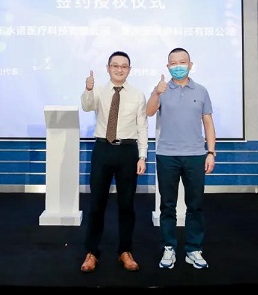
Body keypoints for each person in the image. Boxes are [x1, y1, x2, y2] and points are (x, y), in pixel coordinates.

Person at [146, 47, 216, 270]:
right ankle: (169, 247)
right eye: (174, 63)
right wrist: (156, 93)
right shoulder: (162, 89)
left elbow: (208, 123)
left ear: (190, 64)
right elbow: (149, 112)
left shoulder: (202, 91)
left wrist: (211, 152)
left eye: (182, 62)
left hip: (195, 155)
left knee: (195, 205)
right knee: (167, 206)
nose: (178, 66)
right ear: (168, 67)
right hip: (167, 155)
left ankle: (193, 249)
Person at [79, 51, 148, 273]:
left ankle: (125, 251)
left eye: (124, 66)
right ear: (108, 68)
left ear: (129, 69)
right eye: (115, 65)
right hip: (103, 149)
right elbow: (87, 106)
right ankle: (92, 252)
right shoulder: (98, 91)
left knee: (126, 205)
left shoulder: (137, 94)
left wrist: (142, 156)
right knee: (96, 204)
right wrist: (88, 89)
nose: (119, 69)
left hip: (128, 151)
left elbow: (142, 127)